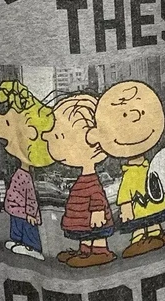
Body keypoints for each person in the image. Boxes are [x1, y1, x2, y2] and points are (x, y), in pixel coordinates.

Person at [88, 81, 165, 258]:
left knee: (155, 226)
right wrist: (126, 208)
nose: (134, 117)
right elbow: (125, 192)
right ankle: (138, 241)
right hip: (139, 208)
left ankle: (157, 235)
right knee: (139, 230)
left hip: (154, 206)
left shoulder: (150, 167)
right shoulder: (129, 174)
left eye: (142, 113)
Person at [42, 92, 116, 267]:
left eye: (60, 136)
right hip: (85, 221)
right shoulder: (83, 179)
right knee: (87, 234)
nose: (48, 138)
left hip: (93, 219)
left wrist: (98, 212)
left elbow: (97, 195)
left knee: (96, 234)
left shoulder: (91, 180)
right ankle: (85, 251)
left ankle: (100, 252)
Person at [0, 80, 55, 260]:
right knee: (17, 226)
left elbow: (30, 197)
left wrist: (32, 213)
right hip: (16, 210)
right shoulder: (21, 174)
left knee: (27, 227)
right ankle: (19, 241)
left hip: (23, 212)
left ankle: (32, 247)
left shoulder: (25, 176)